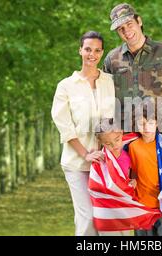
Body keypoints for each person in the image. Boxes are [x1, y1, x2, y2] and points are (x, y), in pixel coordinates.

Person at [103, 3, 162, 235]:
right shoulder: (112, 60)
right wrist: (108, 142)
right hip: (132, 145)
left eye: (129, 24)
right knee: (142, 209)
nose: (127, 31)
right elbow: (106, 103)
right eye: (120, 29)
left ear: (139, 20)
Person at [51, 31, 115, 236]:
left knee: (106, 220)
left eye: (97, 50)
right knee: (87, 217)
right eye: (88, 49)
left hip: (107, 163)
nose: (92, 54)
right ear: (80, 50)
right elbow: (65, 126)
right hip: (77, 163)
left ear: (102, 53)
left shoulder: (110, 82)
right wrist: (86, 154)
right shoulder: (66, 86)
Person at [128, 102, 162, 236]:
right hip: (141, 204)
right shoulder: (133, 147)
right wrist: (133, 181)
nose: (146, 127)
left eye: (150, 123)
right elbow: (134, 171)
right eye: (141, 123)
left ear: (157, 124)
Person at [93, 117, 136, 236]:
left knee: (125, 233)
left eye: (117, 140)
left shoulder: (127, 155)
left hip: (123, 204)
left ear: (121, 133)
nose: (114, 145)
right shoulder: (101, 159)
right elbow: (96, 184)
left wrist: (133, 181)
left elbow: (131, 173)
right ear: (101, 143)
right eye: (108, 144)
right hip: (107, 206)